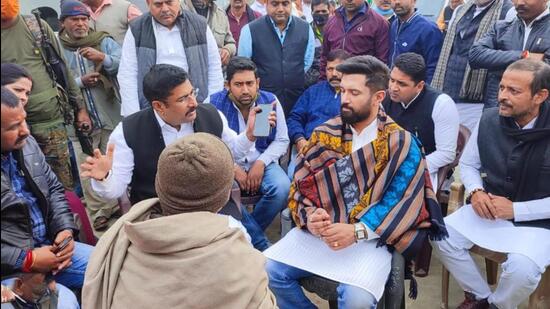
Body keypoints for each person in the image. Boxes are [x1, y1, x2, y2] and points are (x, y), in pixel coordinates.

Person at [264, 56, 447, 309]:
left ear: (378, 97)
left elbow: (401, 202)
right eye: (341, 91)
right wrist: (310, 216)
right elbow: (301, 187)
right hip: (322, 236)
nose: (344, 99)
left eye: (354, 92)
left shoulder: (400, 143)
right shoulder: (324, 134)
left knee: (356, 300)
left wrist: (357, 231)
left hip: (371, 240)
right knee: (266, 270)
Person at [81, 64, 274, 250]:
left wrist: (249, 136)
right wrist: (104, 177)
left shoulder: (210, 115)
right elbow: (116, 190)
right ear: (159, 105)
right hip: (161, 214)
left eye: (193, 93)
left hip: (213, 204)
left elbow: (231, 152)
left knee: (248, 246)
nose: (194, 103)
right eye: (183, 99)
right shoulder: (128, 131)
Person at [82, 133, 277, 309]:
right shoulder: (241, 255)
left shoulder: (119, 239)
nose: (191, 102)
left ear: (159, 187)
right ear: (227, 193)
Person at [432, 59, 550, 309]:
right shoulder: (489, 119)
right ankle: (481, 297)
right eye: (502, 88)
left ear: (540, 96)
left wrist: (517, 210)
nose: (502, 97)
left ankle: (498, 305)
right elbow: (469, 164)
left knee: (522, 270)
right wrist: (475, 191)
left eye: (513, 91)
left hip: (542, 225)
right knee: (438, 232)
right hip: (490, 212)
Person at [1, 87, 94, 308]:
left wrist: (65, 231)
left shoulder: (27, 145)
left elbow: (53, 190)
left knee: (117, 264)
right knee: (63, 304)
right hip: (11, 270)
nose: (25, 131)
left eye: (24, 120)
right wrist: (27, 259)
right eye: (14, 127)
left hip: (50, 252)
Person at [2, 0, 93, 191]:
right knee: (23, 186)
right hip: (9, 127)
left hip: (49, 123)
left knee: (63, 185)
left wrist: (81, 109)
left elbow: (62, 70)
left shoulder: (34, 25)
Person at [58, 1, 123, 232]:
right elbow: (54, 83)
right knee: (87, 167)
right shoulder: (56, 47)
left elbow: (123, 64)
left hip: (109, 113)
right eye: (74, 19)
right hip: (76, 121)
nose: (80, 24)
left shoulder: (102, 40)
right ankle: (98, 212)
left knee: (112, 161)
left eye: (84, 19)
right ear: (63, 22)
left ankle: (116, 206)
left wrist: (103, 58)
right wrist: (80, 82)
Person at [211, 57, 290, 232]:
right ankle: (255, 238)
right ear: (227, 85)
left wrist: (261, 163)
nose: (245, 90)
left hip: (262, 159)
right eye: (238, 84)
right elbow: (213, 145)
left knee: (282, 187)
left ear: (258, 83)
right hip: (228, 163)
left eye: (249, 83)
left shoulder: (269, 101)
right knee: (220, 193)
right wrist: (232, 167)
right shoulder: (214, 104)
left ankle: (246, 233)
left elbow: (282, 140)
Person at [117, 0, 223, 116]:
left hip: (196, 107)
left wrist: (210, 107)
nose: (165, 9)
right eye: (158, 4)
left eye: (169, 2)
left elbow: (214, 68)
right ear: (148, 3)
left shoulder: (199, 25)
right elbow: (127, 74)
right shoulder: (137, 29)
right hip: (153, 110)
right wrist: (134, 115)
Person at [431, 0, 514, 132]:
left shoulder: (509, 12)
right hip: (448, 94)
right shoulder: (460, 10)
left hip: (478, 102)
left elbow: (506, 55)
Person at [383, 52, 458, 187]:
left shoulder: (441, 103)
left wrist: (408, 167)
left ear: (419, 86)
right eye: (392, 80)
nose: (393, 88)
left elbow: (446, 153)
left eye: (401, 84)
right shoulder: (384, 98)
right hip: (386, 168)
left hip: (424, 169)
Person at [238, 0, 315, 116]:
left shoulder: (305, 28)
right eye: (275, 4)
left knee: (295, 131)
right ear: (266, 4)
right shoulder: (250, 30)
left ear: (291, 4)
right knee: (262, 131)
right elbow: (244, 66)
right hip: (263, 101)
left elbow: (306, 62)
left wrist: (290, 74)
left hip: (296, 98)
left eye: (285, 4)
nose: (280, 9)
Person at [469, 0, 549, 108]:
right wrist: (524, 56)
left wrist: (500, 62)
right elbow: (475, 55)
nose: (519, 2)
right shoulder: (501, 28)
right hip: (498, 108)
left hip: (540, 112)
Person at [287, 49, 351, 177]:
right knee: (292, 176)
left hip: (339, 152)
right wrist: (299, 140)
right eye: (329, 69)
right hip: (307, 148)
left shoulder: (354, 95)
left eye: (339, 69)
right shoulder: (313, 91)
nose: (333, 74)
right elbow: (294, 118)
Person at [319, 0, 389, 80]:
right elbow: (324, 56)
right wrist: (322, 81)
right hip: (334, 83)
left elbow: (381, 62)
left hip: (362, 85)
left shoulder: (379, 23)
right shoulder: (332, 21)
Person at [389, 0, 443, 83]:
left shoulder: (429, 29)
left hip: (414, 89)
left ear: (413, 1)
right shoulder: (394, 24)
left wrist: (425, 92)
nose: (397, 2)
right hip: (395, 87)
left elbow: (434, 67)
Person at [183, 0, 236, 67]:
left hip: (217, 72)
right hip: (189, 73)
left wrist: (227, 50)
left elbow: (231, 43)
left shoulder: (220, 13)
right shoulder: (180, 10)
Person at [304, 0, 333, 87]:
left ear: (329, 11)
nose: (320, 14)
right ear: (312, 13)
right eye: (317, 12)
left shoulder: (336, 30)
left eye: (324, 11)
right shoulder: (306, 31)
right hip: (312, 78)